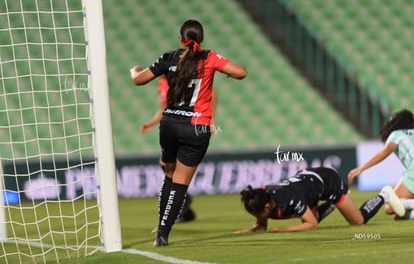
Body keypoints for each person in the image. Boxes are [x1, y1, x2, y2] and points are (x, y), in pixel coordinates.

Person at [130, 19, 247, 246]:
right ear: (200, 39)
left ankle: (160, 227)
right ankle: (163, 233)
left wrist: (134, 70)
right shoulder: (210, 58)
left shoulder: (169, 58)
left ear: (181, 39)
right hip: (196, 127)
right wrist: (224, 72)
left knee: (169, 174)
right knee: (181, 184)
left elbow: (138, 80)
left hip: (170, 124)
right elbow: (241, 72)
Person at [140, 75, 217, 223]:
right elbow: (163, 108)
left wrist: (211, 120)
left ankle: (183, 205)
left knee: (173, 165)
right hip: (172, 125)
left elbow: (211, 92)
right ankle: (184, 205)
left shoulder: (182, 79)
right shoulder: (162, 82)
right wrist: (151, 123)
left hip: (188, 125)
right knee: (166, 164)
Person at [234, 167, 403, 233]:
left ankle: (385, 194)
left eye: (259, 214)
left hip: (328, 181)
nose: (259, 218)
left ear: (267, 206)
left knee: (358, 222)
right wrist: (243, 232)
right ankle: (333, 204)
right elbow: (261, 226)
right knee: (306, 219)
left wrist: (284, 229)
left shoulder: (290, 199)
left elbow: (313, 225)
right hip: (308, 185)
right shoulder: (262, 196)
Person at [348, 109, 414, 218]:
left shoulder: (396, 134)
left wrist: (361, 169)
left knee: (389, 208)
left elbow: (383, 153)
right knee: (398, 214)